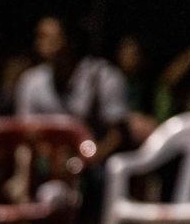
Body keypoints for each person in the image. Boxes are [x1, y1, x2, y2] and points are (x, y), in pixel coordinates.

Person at [15, 16, 129, 161]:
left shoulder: (104, 76)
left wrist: (87, 159)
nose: (42, 42)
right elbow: (26, 131)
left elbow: (117, 133)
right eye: (39, 36)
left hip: (92, 162)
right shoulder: (31, 80)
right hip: (46, 162)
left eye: (48, 36)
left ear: (70, 40)